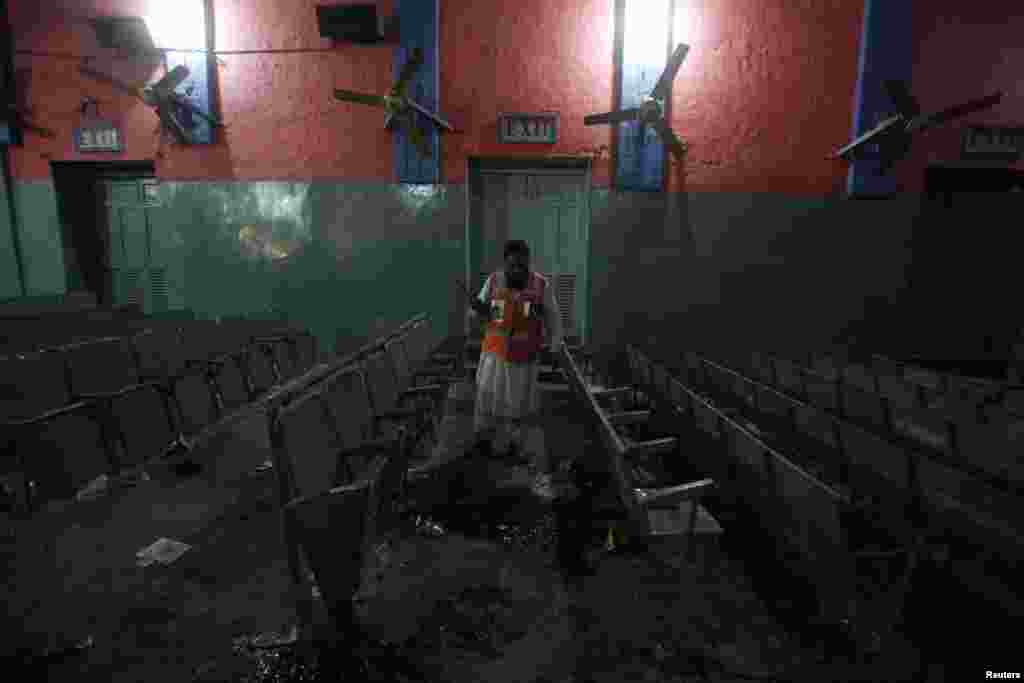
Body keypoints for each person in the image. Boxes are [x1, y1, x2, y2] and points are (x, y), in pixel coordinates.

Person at [467, 240, 563, 461]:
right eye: (513, 265)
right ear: (505, 264)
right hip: (493, 355)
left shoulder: (541, 284)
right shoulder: (493, 280)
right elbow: (477, 314)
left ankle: (514, 447)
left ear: (528, 262)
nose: (517, 269)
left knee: (518, 407)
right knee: (487, 400)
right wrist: (478, 311)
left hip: (523, 359)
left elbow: (554, 317)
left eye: (522, 264)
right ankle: (483, 442)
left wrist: (555, 346)